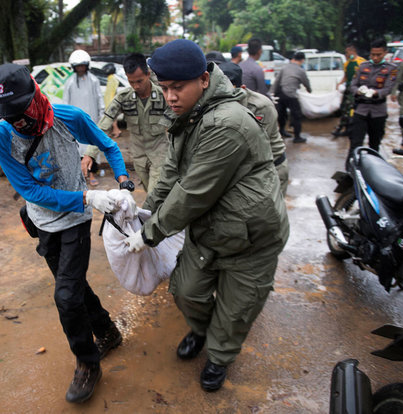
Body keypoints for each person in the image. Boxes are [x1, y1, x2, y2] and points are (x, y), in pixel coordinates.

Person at [124, 39, 289, 392]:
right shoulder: (193, 113)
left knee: (235, 310)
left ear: (202, 79)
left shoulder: (225, 122)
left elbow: (194, 192)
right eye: (164, 88)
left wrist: (149, 233)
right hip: (213, 228)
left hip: (251, 237)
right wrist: (148, 209)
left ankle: (219, 357)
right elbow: (171, 169)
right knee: (186, 291)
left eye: (177, 87)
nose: (169, 96)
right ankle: (201, 331)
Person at [0, 63, 132, 403]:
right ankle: (107, 331)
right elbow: (30, 191)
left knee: (65, 296)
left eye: (19, 112)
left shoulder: (69, 117)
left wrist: (121, 180)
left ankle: (88, 363)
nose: (16, 121)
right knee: (74, 287)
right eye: (6, 115)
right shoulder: (0, 136)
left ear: (35, 96)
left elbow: (109, 146)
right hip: (43, 220)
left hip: (75, 221)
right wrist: (87, 195)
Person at [82, 53, 170, 194]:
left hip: (160, 153)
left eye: (139, 81)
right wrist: (90, 153)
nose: (136, 86)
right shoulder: (124, 98)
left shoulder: (163, 96)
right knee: (150, 193)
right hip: (138, 156)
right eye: (131, 82)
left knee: (155, 195)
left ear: (148, 74)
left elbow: (179, 121)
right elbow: (104, 125)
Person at [215, 60, 289, 196]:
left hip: (272, 167)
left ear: (242, 88)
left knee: (270, 214)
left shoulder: (260, 107)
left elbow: (256, 148)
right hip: (248, 171)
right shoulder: (217, 103)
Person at [348, 38, 397, 165]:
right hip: (361, 109)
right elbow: (352, 85)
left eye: (378, 55)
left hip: (378, 111)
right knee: (355, 142)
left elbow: (388, 88)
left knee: (374, 144)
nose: (375, 57)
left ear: (385, 53)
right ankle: (350, 170)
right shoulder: (362, 66)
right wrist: (358, 91)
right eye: (372, 54)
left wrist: (376, 93)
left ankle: (372, 169)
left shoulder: (392, 69)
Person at [64, 49, 104, 158]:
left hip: (92, 118)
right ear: (74, 67)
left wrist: (101, 116)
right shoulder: (70, 82)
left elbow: (100, 99)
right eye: (78, 66)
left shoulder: (94, 80)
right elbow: (66, 102)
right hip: (75, 120)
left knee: (92, 144)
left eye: (82, 65)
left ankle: (92, 171)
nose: (80, 68)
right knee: (77, 144)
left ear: (87, 65)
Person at [273, 51, 311, 143]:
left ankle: (282, 131)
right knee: (297, 114)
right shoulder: (300, 70)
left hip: (280, 93)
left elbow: (277, 81)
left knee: (282, 114)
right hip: (290, 95)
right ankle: (297, 137)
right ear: (302, 60)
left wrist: (271, 93)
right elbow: (306, 82)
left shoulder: (284, 68)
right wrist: (309, 90)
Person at [332, 44, 366, 137]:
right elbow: (346, 76)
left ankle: (345, 128)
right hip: (348, 88)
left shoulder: (362, 62)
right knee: (344, 108)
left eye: (347, 52)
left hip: (357, 90)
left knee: (350, 109)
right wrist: (339, 83)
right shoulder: (347, 63)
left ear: (352, 51)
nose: (346, 54)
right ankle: (346, 128)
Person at [102, 63, 122, 140]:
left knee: (112, 119)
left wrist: (110, 104)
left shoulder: (112, 79)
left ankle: (117, 131)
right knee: (113, 119)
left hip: (110, 103)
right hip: (111, 102)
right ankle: (114, 131)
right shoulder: (112, 79)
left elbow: (110, 93)